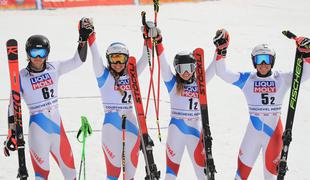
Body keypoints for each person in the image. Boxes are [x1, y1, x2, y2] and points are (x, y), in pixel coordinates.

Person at [3, 17, 94, 180]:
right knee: (41, 175)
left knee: (71, 173)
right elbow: (12, 106)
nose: (37, 57)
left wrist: (83, 40)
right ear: (27, 54)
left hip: (58, 129)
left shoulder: (55, 68)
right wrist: (11, 133)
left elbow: (78, 61)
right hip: (38, 130)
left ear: (47, 53)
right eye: (33, 53)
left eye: (42, 53)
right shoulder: (21, 76)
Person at [213, 29, 310, 180]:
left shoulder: (281, 78)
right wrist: (221, 50)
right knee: (240, 176)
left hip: (274, 135)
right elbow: (222, 73)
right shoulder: (247, 79)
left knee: (270, 177)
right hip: (253, 132)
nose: (263, 64)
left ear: (273, 61)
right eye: (259, 60)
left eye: (267, 59)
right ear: (254, 61)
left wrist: (307, 54)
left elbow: (304, 75)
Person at [148, 26, 215, 179]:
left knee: (203, 174)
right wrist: (158, 41)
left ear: (195, 68)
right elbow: (162, 62)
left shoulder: (201, 83)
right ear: (176, 69)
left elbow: (215, 67)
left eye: (190, 67)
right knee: (170, 174)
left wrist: (221, 50)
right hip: (176, 129)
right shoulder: (172, 83)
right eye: (181, 68)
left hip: (195, 129)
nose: (186, 72)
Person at [87, 19, 150, 180]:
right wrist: (91, 35)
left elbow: (146, 56)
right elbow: (95, 55)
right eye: (114, 58)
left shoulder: (132, 74)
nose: (117, 63)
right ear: (108, 59)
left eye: (121, 59)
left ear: (126, 59)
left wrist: (147, 36)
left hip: (131, 125)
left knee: (130, 174)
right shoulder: (103, 75)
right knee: (113, 173)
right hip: (111, 126)